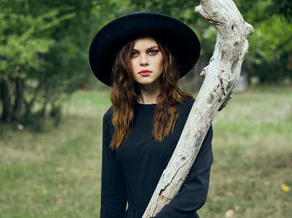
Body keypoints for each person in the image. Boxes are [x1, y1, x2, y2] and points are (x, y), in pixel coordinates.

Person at [89, 12, 213, 218]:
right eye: (134, 54)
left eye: (152, 52)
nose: (143, 61)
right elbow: (112, 197)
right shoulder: (114, 118)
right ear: (124, 63)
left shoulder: (192, 112)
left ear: (167, 58)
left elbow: (196, 190)